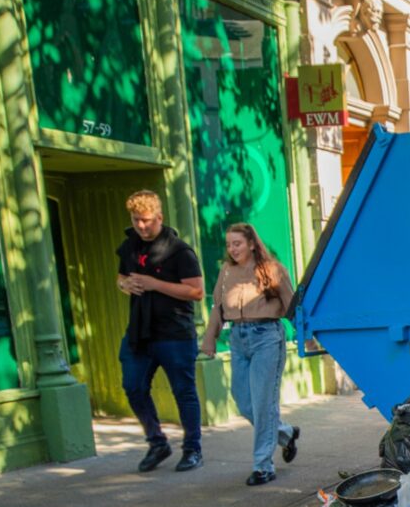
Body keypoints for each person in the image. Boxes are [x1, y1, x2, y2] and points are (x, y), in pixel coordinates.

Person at [200, 222, 301, 486]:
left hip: (266, 337)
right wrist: (210, 337)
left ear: (252, 244)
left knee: (263, 403)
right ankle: (285, 433)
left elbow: (291, 304)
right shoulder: (227, 271)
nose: (232, 249)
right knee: (243, 401)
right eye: (229, 244)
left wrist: (306, 336)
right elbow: (217, 307)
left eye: (237, 243)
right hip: (237, 338)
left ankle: (263, 466)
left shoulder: (273, 269)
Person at [116, 190, 205, 473]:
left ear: (159, 217)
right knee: (133, 386)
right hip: (139, 332)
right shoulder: (129, 246)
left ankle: (192, 449)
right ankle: (157, 442)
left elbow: (197, 291)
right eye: (136, 220)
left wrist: (154, 284)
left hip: (175, 333)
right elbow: (121, 276)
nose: (141, 226)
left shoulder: (179, 250)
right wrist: (124, 285)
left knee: (184, 392)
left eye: (146, 220)